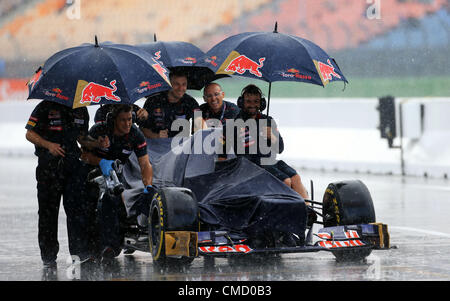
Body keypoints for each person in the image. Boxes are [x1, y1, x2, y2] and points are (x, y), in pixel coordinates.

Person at [81, 104, 154, 260]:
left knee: (116, 202)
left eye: (130, 119)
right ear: (113, 120)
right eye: (123, 120)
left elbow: (145, 164)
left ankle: (112, 246)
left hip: (116, 173)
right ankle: (90, 248)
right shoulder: (99, 130)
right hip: (91, 172)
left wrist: (148, 186)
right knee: (91, 206)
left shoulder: (135, 134)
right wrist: (101, 161)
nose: (127, 124)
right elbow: (83, 156)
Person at [25, 100, 92, 268]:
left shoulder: (81, 109)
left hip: (73, 168)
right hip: (49, 168)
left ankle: (79, 253)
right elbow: (29, 134)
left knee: (76, 210)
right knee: (48, 213)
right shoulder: (45, 106)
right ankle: (48, 256)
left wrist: (97, 143)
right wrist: (49, 145)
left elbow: (82, 139)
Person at [219, 84, 309, 199]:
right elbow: (222, 155)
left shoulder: (268, 121)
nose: (252, 105)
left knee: (295, 178)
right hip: (249, 166)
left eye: (256, 101)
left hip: (269, 162)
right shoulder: (232, 125)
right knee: (286, 181)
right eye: (248, 101)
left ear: (261, 103)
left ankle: (308, 212)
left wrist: (272, 136)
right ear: (241, 103)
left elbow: (280, 149)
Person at [140, 70, 202, 139]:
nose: (181, 88)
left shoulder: (191, 102)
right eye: (177, 84)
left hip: (180, 146)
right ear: (169, 84)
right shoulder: (153, 101)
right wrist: (156, 136)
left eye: (184, 84)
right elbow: (143, 129)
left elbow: (199, 124)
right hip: (155, 147)